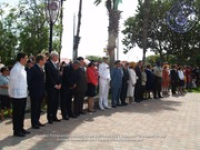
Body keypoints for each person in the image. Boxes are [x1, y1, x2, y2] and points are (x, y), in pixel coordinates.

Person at [9, 52, 30, 137]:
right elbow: (12, 82)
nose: (27, 60)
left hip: (23, 94)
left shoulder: (22, 68)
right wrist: (11, 93)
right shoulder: (16, 69)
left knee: (21, 113)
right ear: (21, 59)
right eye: (26, 58)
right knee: (17, 114)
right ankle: (16, 131)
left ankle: (21, 128)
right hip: (16, 95)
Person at [28, 54, 46, 129]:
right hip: (35, 93)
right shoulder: (33, 68)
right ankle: (34, 123)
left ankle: (37, 121)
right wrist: (32, 90)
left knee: (38, 108)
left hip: (40, 92)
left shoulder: (41, 68)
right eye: (44, 59)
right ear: (40, 60)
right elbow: (29, 80)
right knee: (34, 108)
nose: (45, 61)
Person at [45, 51, 61, 124]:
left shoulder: (57, 64)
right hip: (51, 86)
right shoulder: (48, 64)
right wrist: (54, 84)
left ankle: (54, 116)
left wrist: (60, 84)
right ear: (53, 56)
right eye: (57, 56)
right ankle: (50, 117)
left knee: (56, 102)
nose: (58, 57)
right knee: (51, 102)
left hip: (58, 86)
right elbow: (49, 76)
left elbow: (59, 75)